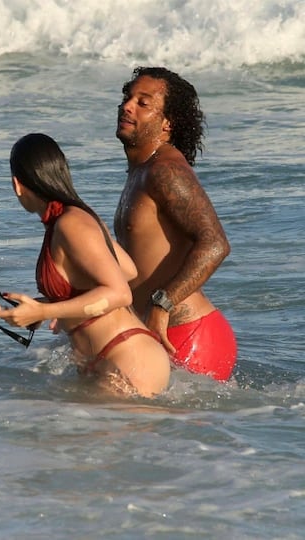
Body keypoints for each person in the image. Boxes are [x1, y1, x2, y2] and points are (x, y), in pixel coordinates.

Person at [0, 133, 170, 398]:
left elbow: (120, 292)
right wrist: (44, 306)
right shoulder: (73, 218)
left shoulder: (71, 224)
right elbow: (128, 269)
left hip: (127, 357)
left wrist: (44, 310)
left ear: (17, 184)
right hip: (114, 358)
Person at [114, 66, 237, 381]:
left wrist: (162, 303)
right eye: (128, 98)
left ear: (167, 123)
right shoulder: (142, 170)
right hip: (162, 333)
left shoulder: (165, 171)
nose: (127, 106)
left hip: (187, 335)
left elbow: (215, 243)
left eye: (143, 103)